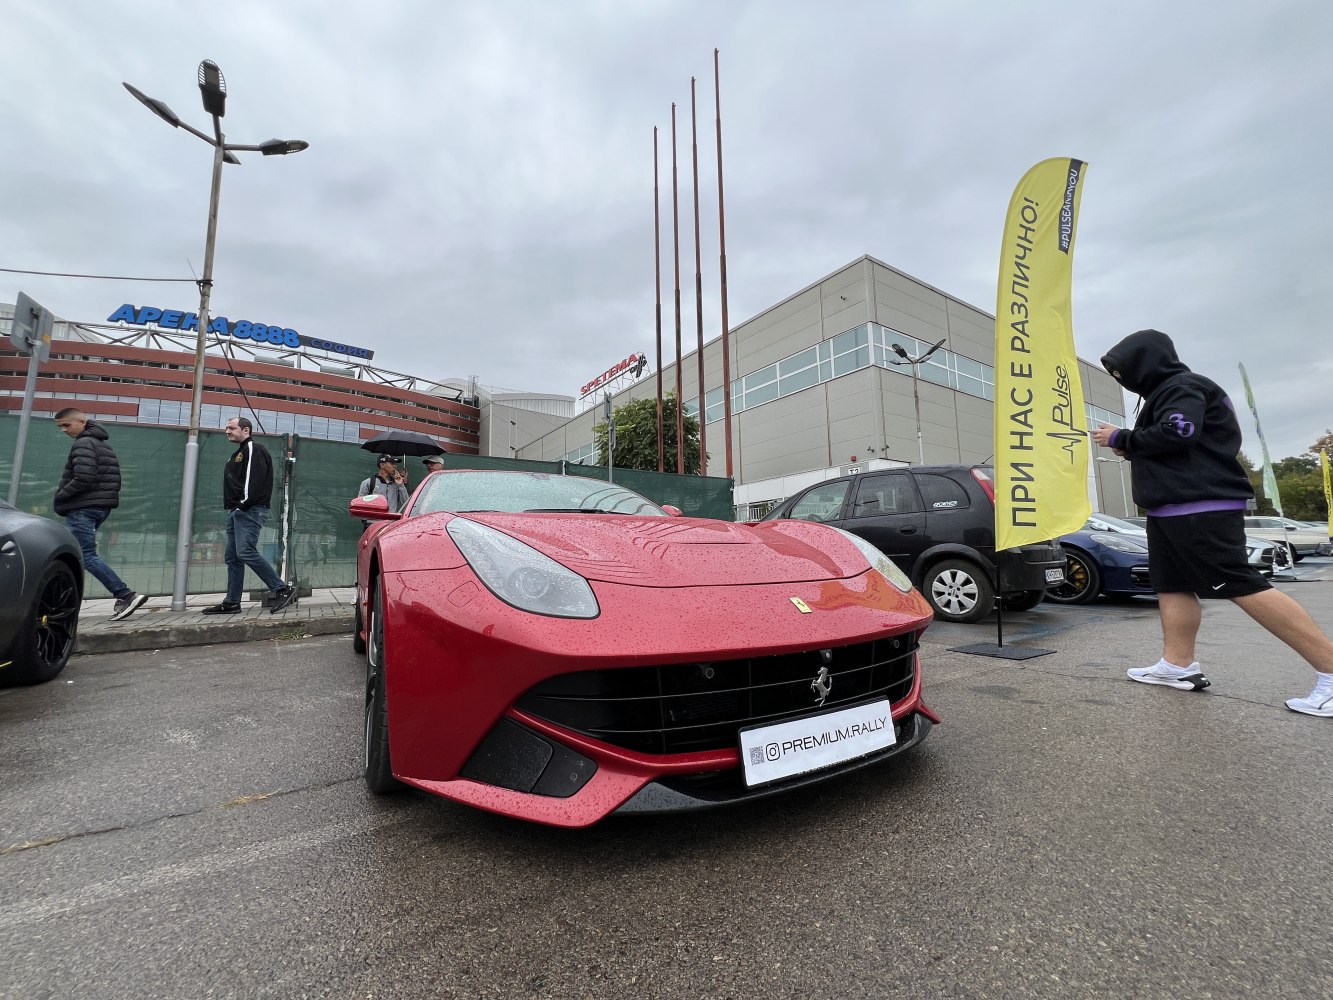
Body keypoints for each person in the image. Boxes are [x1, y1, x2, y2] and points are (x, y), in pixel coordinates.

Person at [1092, 329, 1332, 717]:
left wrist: (1122, 435)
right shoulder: (1168, 391)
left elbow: (1180, 431)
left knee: (1239, 582)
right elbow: (1176, 440)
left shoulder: (1182, 385)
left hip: (1199, 506)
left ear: (1145, 361)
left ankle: (1331, 670)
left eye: (1123, 370)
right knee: (1172, 585)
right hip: (1170, 509)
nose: (1122, 378)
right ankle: (1177, 666)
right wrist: (1133, 444)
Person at [53, 407, 147, 622]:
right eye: (60, 427)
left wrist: (61, 496)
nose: (64, 430)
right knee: (80, 554)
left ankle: (125, 595)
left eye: (67, 425)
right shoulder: (101, 444)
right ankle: (65, 602)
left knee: (85, 555)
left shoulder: (84, 443)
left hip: (83, 507)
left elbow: (83, 477)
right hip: (97, 507)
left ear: (82, 421)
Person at [203, 417, 295, 615]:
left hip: (249, 509)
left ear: (246, 429)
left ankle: (282, 589)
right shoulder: (238, 453)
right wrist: (236, 508)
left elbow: (253, 479)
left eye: (232, 428)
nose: (227, 431)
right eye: (226, 428)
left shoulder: (253, 448)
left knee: (245, 552)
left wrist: (243, 504)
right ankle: (232, 602)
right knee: (233, 557)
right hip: (238, 511)